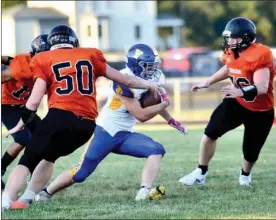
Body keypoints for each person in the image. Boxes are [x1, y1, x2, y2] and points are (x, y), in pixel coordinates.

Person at [1, 25, 163, 211]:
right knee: (50, 156)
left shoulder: (43, 59)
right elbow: (124, 79)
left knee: (28, 160)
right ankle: (28, 198)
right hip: (86, 126)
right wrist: (149, 84)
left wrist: (20, 123)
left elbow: (34, 101)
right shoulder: (91, 55)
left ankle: (5, 201)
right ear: (74, 42)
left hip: (59, 116)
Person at [34, 43, 188, 203]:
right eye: (148, 66)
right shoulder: (122, 80)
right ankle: (46, 193)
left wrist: (170, 119)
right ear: (136, 65)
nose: (152, 70)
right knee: (80, 174)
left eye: (153, 66)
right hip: (105, 132)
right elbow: (141, 115)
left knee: (156, 150)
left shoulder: (155, 77)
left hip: (125, 134)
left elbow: (154, 101)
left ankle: (144, 191)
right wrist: (163, 104)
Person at [179, 17, 275, 187]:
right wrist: (208, 82)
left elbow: (261, 86)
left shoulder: (261, 54)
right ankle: (200, 172)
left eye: (234, 38)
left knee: (250, 152)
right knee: (210, 132)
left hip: (261, 110)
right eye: (229, 37)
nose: (230, 41)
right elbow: (229, 67)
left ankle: (245, 177)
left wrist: (239, 91)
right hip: (237, 102)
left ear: (246, 38)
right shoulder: (231, 52)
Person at [1, 34, 49, 190]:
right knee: (24, 139)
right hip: (7, 105)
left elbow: (9, 59)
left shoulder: (45, 66)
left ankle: (34, 177)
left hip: (24, 106)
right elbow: (7, 71)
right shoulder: (23, 66)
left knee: (43, 137)